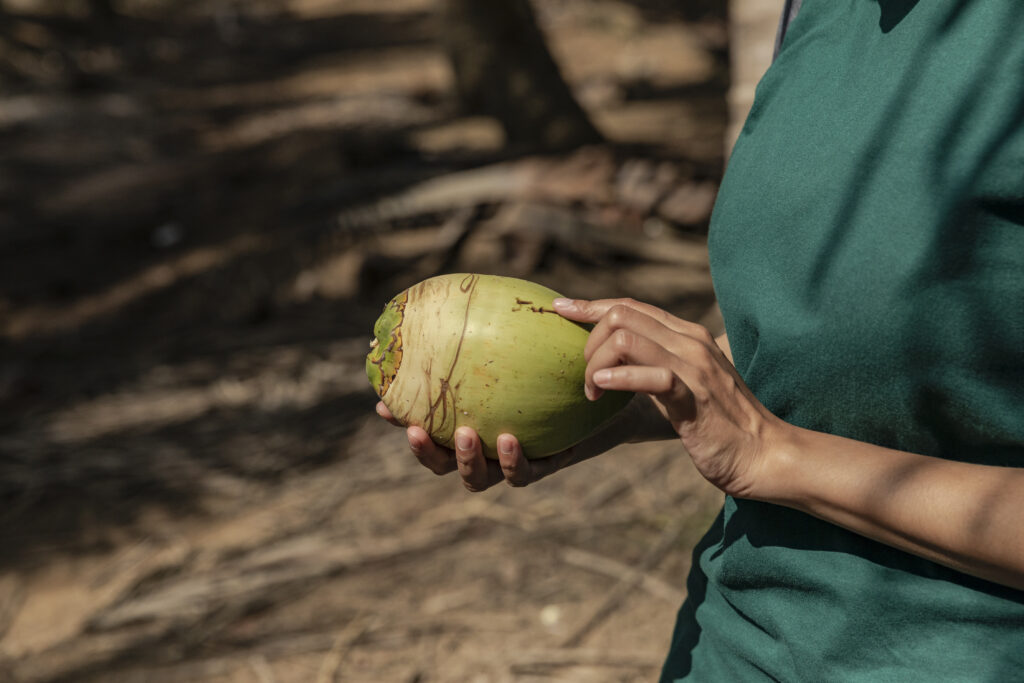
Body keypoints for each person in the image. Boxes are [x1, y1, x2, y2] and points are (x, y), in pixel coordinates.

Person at [378, 1, 1024, 679]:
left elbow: (773, 436)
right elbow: (832, 338)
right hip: (725, 644)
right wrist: (626, 397)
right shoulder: (822, 11)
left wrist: (775, 453)